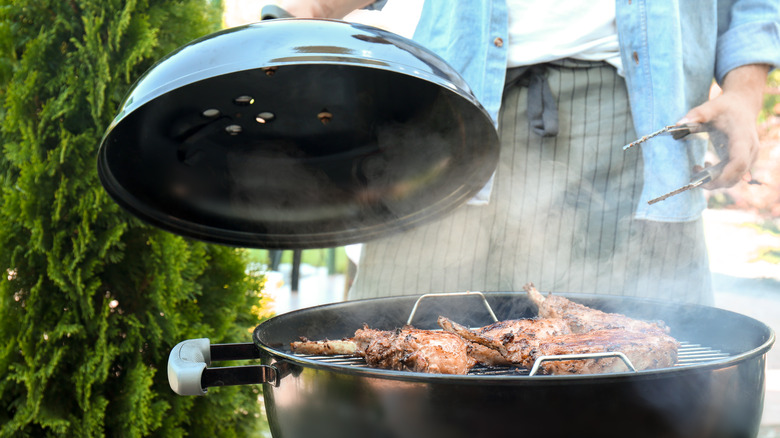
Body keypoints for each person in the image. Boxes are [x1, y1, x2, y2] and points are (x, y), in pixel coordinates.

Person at [279, 0, 780, 305]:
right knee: (389, 350)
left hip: (630, 124)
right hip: (448, 108)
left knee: (635, 370)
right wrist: (312, 12)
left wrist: (743, 92)